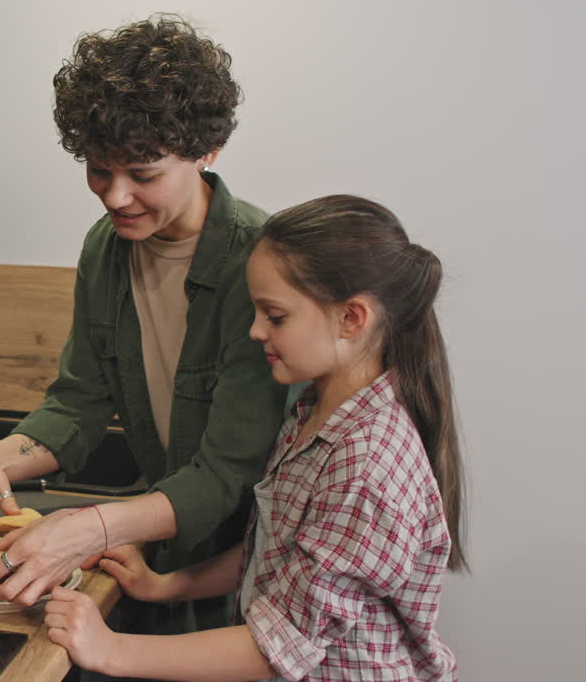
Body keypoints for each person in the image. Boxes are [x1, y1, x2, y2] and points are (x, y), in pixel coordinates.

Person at [42, 195, 466, 681]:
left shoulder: (366, 466)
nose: (255, 330)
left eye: (275, 316)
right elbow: (276, 551)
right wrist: (167, 586)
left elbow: (276, 646)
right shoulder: (314, 412)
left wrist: (109, 649)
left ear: (351, 318)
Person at [0, 13, 290, 639]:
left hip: (240, 576)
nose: (115, 197)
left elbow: (228, 476)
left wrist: (87, 526)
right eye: (98, 170)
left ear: (207, 151)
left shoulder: (261, 263)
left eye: (142, 175)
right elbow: (81, 401)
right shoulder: (105, 249)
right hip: (152, 558)